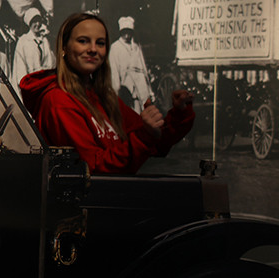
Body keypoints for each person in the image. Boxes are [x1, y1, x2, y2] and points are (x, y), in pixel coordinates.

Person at [20, 12, 194, 174]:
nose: (93, 49)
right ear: (64, 47)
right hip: (89, 204)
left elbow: (154, 143)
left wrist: (178, 114)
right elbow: (92, 169)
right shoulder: (58, 101)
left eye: (100, 43)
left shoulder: (102, 97)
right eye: (83, 41)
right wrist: (145, 136)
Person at [109, 15, 153, 113]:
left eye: (129, 32)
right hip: (125, 88)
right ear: (121, 32)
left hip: (139, 87)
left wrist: (149, 89)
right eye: (124, 32)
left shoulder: (136, 47)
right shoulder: (115, 47)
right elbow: (114, 71)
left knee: (141, 113)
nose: (127, 35)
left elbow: (143, 68)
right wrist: (117, 89)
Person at [12, 7, 53, 85]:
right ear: (29, 23)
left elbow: (49, 63)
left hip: (43, 82)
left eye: (39, 21)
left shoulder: (44, 41)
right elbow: (20, 66)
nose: (37, 24)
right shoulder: (23, 41)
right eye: (34, 21)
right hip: (30, 83)